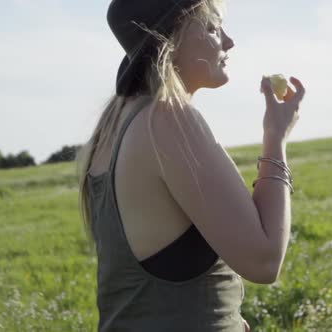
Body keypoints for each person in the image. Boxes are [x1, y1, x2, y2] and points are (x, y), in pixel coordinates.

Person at [76, 0, 305, 330]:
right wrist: (276, 138)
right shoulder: (167, 121)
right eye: (212, 27)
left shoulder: (113, 124)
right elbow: (264, 260)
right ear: (169, 40)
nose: (228, 42)